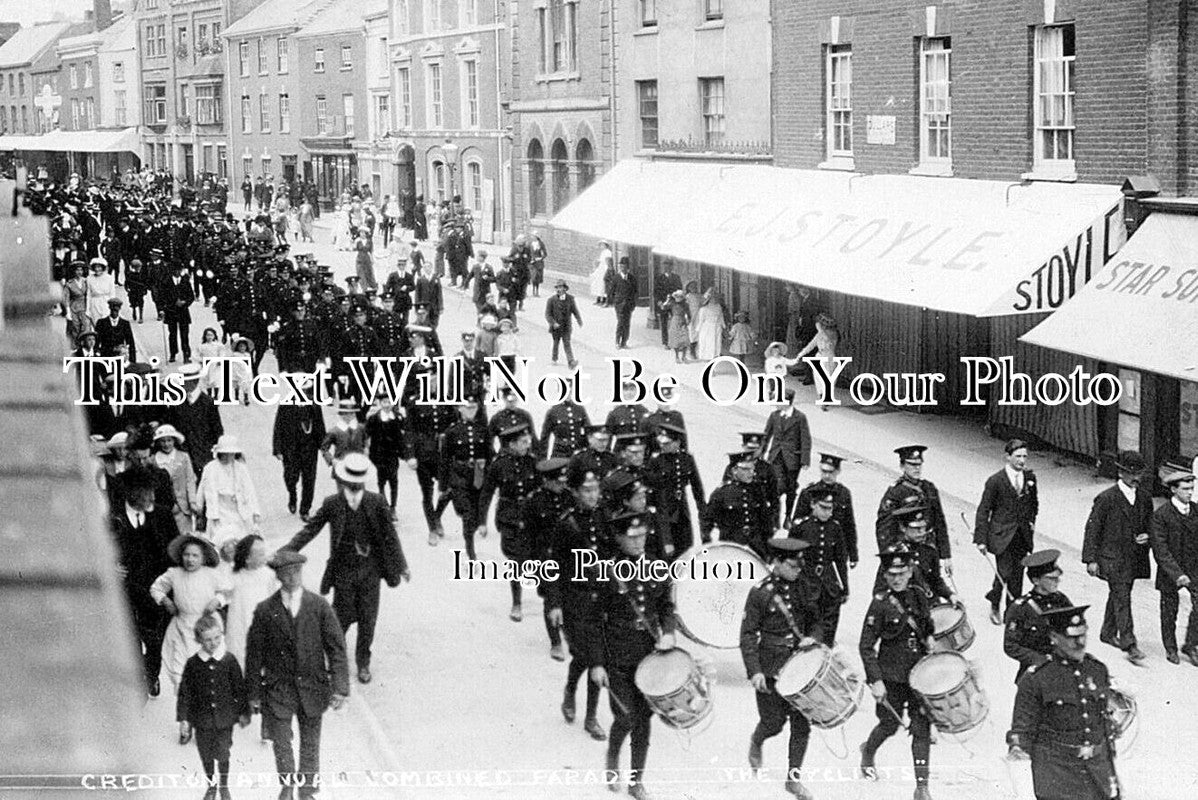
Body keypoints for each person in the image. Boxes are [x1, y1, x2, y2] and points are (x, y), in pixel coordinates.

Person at [285, 453, 410, 684]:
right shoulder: (332, 503)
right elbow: (310, 530)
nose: (354, 484)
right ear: (343, 480)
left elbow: (390, 536)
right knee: (339, 618)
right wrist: (288, 549)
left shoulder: (377, 502)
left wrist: (401, 565)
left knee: (368, 618)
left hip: (371, 570)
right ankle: (334, 660)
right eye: (350, 479)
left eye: (358, 479)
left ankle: (363, 662)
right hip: (343, 570)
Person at [584, 512, 676, 800]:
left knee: (644, 720)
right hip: (617, 655)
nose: (638, 542)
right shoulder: (605, 572)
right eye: (632, 537)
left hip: (648, 656)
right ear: (619, 539)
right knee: (625, 717)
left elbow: (665, 607)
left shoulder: (656, 568)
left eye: (642, 536)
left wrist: (669, 632)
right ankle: (613, 758)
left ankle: (637, 781)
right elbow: (593, 622)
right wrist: (597, 663)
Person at [245, 550, 349, 800]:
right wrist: (253, 694)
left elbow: (336, 647)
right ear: (278, 576)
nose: (292, 578)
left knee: (310, 744)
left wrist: (340, 688)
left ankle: (307, 790)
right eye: (286, 573)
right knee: (281, 743)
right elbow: (254, 654)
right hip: (278, 688)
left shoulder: (319, 606)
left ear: (301, 572)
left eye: (296, 572)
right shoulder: (265, 610)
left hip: (313, 686)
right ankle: (288, 786)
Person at [1006, 605, 1122, 800]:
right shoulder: (1037, 678)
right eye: (1072, 638)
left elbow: (1102, 725)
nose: (1080, 643)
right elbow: (1022, 732)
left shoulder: (1097, 670)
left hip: (1097, 772)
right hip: (1057, 776)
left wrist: (1112, 781)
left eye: (1083, 635)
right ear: (1054, 638)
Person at [740, 537, 823, 799]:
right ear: (775, 562)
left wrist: (814, 637)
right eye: (792, 564)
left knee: (801, 725)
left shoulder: (802, 587)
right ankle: (758, 739)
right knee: (774, 723)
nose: (798, 569)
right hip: (771, 666)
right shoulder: (760, 593)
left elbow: (817, 621)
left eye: (800, 564)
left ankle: (793, 779)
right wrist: (755, 671)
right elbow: (748, 634)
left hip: (798, 666)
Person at [859, 545, 936, 800]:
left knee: (921, 727)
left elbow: (928, 626)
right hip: (891, 676)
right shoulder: (879, 604)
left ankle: (921, 786)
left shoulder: (919, 595)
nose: (897, 578)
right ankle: (868, 752)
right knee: (889, 724)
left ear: (910, 571)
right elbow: (866, 645)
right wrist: (876, 680)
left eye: (901, 573)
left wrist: (932, 639)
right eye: (891, 574)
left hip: (919, 674)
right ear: (885, 575)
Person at [1081, 450, 1153, 664]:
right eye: (1131, 473)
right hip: (1111, 558)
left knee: (1120, 593)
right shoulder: (1106, 498)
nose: (1136, 478)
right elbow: (1092, 529)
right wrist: (1091, 559)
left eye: (1139, 473)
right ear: (1120, 473)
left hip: (1134, 558)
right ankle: (1129, 644)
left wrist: (1147, 536)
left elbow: (1149, 523)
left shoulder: (1144, 497)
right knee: (1122, 596)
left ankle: (1107, 631)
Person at [111, 474, 179, 697]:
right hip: (125, 586)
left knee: (154, 638)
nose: (151, 497)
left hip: (155, 586)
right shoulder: (111, 518)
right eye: (144, 493)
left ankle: (150, 674)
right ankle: (137, 677)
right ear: (130, 494)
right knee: (128, 635)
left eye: (152, 492)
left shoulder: (162, 514)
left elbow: (174, 551)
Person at [176, 613, 250, 800]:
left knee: (223, 753)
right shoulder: (193, 664)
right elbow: (185, 692)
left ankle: (224, 785)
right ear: (199, 640)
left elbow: (239, 688)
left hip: (225, 718)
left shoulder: (229, 660)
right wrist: (184, 719)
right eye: (208, 640)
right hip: (201, 719)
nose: (213, 643)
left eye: (217, 637)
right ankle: (211, 785)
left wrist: (243, 712)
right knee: (206, 754)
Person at [150, 534, 231, 694]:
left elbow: (228, 590)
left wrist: (217, 600)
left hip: (208, 624)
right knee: (182, 662)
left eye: (195, 555)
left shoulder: (211, 574)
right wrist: (166, 601)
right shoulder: (174, 573)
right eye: (186, 555)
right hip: (182, 623)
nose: (190, 559)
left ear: (203, 557)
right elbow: (156, 588)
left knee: (211, 660)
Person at [478, 424, 540, 621]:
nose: (527, 445)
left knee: (532, 557)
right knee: (515, 561)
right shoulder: (498, 465)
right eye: (523, 442)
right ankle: (517, 603)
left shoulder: (533, 462)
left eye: (528, 441)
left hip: (530, 518)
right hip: (509, 518)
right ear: (512, 444)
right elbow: (487, 493)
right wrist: (482, 522)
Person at [974, 439, 1040, 625]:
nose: (1022, 460)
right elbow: (984, 510)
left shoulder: (1030, 479)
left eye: (1024, 456)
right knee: (1004, 572)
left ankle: (1012, 613)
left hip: (1022, 535)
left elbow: (1034, 504)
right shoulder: (995, 481)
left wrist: (1031, 522)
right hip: (1001, 535)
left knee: (1018, 575)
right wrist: (981, 539)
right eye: (1018, 456)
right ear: (1008, 457)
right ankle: (995, 601)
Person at [1150, 462, 1198, 664]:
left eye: (1192, 489)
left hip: (1194, 568)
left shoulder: (1196, 510)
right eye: (1185, 489)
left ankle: (1190, 644)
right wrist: (1177, 574)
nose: (1190, 493)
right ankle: (1170, 648)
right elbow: (1160, 550)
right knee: (1169, 610)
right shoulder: (1161, 515)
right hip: (1172, 572)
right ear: (1173, 489)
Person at [788, 491, 851, 645]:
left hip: (828, 582)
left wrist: (844, 586)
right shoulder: (801, 528)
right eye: (823, 508)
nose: (827, 512)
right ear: (813, 505)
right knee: (806, 623)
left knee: (829, 624)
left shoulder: (835, 528)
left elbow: (841, 560)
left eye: (830, 509)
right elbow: (790, 557)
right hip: (807, 580)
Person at [876, 445, 952, 572]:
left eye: (919, 464)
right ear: (902, 466)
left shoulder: (929, 488)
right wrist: (890, 557)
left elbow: (939, 522)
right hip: (905, 552)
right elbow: (884, 529)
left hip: (928, 551)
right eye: (911, 464)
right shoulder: (895, 492)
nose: (916, 468)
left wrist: (946, 556)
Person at [1003, 549, 1073, 682]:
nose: (1057, 581)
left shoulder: (1061, 600)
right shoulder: (1020, 608)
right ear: (1036, 580)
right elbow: (1010, 646)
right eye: (1051, 578)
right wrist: (1040, 660)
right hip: (1034, 674)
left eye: (1057, 577)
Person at [646, 422, 704, 560]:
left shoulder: (686, 459)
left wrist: (702, 513)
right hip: (663, 513)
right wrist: (666, 539)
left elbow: (697, 488)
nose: (662, 446)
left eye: (667, 443)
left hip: (682, 513)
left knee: (685, 550)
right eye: (662, 443)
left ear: (677, 443)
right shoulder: (656, 461)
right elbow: (654, 497)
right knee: (666, 554)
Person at [702, 451, 775, 557]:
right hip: (731, 546)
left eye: (752, 469)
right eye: (746, 469)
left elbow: (766, 522)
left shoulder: (757, 491)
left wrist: (768, 549)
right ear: (734, 470)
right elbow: (707, 521)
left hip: (756, 547)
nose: (751, 473)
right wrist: (707, 543)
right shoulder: (721, 493)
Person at [224, 534, 277, 669]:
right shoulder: (233, 575)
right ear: (247, 559)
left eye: (264, 553)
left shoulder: (268, 575)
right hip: (240, 625)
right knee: (241, 660)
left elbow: (274, 599)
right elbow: (223, 595)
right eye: (260, 555)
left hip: (262, 624)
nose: (265, 557)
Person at [197, 435, 262, 542]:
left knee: (242, 539)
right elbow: (205, 491)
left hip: (239, 509)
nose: (228, 457)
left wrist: (255, 512)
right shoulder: (210, 468)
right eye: (225, 454)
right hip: (220, 510)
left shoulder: (240, 468)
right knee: (223, 539)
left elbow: (249, 490)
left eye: (231, 454)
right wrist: (204, 510)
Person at [762, 389, 811, 526]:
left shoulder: (800, 417)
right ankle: (774, 516)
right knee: (777, 486)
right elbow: (766, 436)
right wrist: (760, 454)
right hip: (776, 456)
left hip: (792, 459)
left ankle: (788, 516)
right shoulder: (774, 416)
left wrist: (805, 459)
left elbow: (805, 439)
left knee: (790, 489)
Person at [273, 403, 326, 522]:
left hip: (310, 449)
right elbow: (278, 426)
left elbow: (320, 426)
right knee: (290, 477)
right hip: (290, 449)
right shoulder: (285, 405)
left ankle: (305, 510)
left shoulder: (314, 405)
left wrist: (324, 447)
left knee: (309, 479)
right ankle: (292, 495)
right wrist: (277, 449)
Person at [365, 396, 408, 517]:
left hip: (393, 454)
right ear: (379, 403)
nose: (387, 405)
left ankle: (393, 507)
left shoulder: (397, 418)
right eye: (384, 402)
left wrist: (404, 451)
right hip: (378, 454)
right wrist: (366, 448)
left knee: (394, 481)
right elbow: (366, 434)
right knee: (381, 480)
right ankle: (384, 506)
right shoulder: (374, 418)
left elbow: (402, 435)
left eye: (389, 402)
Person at [154, 424, 198, 534]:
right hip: (165, 507)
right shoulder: (154, 459)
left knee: (185, 535)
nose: (166, 444)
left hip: (183, 506)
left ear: (174, 441)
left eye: (169, 440)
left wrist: (192, 501)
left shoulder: (183, 457)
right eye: (163, 441)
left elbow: (190, 480)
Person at [160, 264, 196, 363]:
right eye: (175, 270)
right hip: (171, 311)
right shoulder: (166, 282)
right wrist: (164, 308)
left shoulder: (185, 281)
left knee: (184, 334)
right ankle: (173, 353)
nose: (178, 272)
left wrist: (185, 302)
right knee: (172, 334)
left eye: (179, 270)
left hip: (183, 311)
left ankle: (186, 354)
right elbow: (162, 297)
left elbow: (191, 296)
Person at [545, 280, 582, 368]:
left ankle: (571, 361)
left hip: (566, 326)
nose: (559, 289)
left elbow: (575, 310)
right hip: (556, 327)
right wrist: (553, 323)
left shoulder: (570, 299)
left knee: (567, 343)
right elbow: (547, 314)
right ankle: (554, 358)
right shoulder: (551, 300)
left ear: (565, 289)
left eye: (561, 287)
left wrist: (579, 320)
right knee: (556, 343)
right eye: (558, 287)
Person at [653, 261, 683, 348]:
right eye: (665, 267)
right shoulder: (659, 278)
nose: (667, 268)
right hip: (663, 303)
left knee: (676, 322)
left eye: (669, 267)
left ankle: (676, 341)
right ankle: (665, 342)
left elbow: (679, 290)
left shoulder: (676, 278)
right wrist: (659, 302)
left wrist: (677, 298)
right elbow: (656, 292)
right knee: (664, 323)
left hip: (674, 303)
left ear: (672, 267)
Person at [610, 256, 637, 349]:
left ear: (628, 268)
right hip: (619, 305)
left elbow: (635, 292)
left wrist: (633, 304)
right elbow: (611, 292)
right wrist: (615, 302)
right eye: (621, 266)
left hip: (628, 305)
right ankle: (617, 341)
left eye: (625, 266)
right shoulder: (616, 278)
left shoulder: (632, 278)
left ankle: (624, 342)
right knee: (620, 322)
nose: (623, 268)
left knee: (627, 323)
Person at [693, 288, 727, 361]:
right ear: (708, 299)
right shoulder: (704, 309)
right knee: (708, 342)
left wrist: (723, 326)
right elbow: (701, 320)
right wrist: (698, 330)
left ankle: (715, 355)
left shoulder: (718, 307)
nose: (714, 300)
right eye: (712, 298)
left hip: (717, 326)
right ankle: (707, 357)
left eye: (715, 298)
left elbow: (721, 317)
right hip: (707, 328)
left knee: (717, 341)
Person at [660, 289, 691, 363]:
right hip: (675, 321)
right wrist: (666, 301)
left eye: (680, 297)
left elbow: (689, 314)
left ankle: (684, 356)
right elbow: (663, 308)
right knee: (676, 340)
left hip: (683, 321)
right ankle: (677, 357)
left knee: (685, 339)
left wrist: (688, 320)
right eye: (677, 296)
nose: (678, 298)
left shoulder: (685, 304)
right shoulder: (672, 303)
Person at [86, 258, 116, 323]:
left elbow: (112, 293)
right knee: (96, 322)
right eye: (95, 267)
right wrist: (88, 309)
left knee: (107, 322)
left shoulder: (109, 278)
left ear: (103, 268)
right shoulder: (89, 278)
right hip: (94, 303)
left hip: (106, 302)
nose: (97, 269)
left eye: (99, 267)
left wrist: (113, 307)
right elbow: (88, 294)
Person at [590, 241, 613, 306]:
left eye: (603, 245)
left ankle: (604, 300)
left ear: (606, 245)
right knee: (598, 283)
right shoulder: (603, 252)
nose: (601, 246)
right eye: (601, 245)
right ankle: (599, 299)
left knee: (603, 284)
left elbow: (607, 261)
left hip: (604, 268)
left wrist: (607, 269)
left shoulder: (608, 252)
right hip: (600, 268)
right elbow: (600, 260)